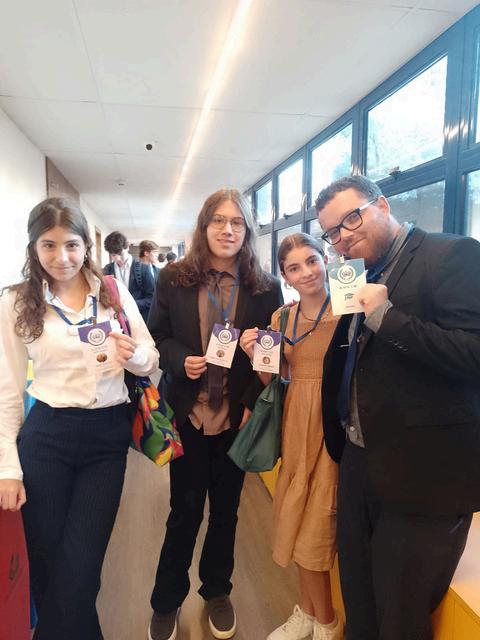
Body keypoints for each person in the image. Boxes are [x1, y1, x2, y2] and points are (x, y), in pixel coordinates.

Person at [315, 175, 480, 640]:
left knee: (400, 615)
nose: (344, 236)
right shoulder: (360, 273)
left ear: (383, 205)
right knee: (359, 595)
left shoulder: (452, 255)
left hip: (425, 475)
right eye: (332, 231)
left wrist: (387, 318)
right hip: (359, 460)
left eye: (352, 218)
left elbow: (474, 354)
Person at [0, 198, 159, 640]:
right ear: (33, 247)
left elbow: (150, 357)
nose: (62, 257)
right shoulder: (16, 301)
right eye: (48, 245)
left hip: (105, 439)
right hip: (46, 437)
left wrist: (134, 355)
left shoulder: (111, 291)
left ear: (86, 246)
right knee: (50, 565)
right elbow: (7, 392)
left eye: (71, 245)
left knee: (81, 567)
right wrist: (8, 468)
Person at [146, 187, 283, 640]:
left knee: (226, 512)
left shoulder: (265, 287)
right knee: (183, 512)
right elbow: (157, 337)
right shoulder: (174, 278)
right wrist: (178, 359)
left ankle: (217, 591)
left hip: (234, 420)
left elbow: (270, 354)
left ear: (247, 231)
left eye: (237, 222)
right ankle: (166, 600)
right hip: (188, 415)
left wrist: (249, 403)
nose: (228, 230)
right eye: (219, 221)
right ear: (204, 227)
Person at [240, 233, 343, 640]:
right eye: (295, 268)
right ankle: (308, 613)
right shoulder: (282, 319)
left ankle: (327, 622)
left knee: (317, 526)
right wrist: (254, 354)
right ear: (285, 276)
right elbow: (273, 380)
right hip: (297, 425)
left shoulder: (348, 308)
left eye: (312, 261)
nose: (307, 272)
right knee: (296, 518)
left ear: (326, 259)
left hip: (333, 426)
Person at [103, 231, 155, 322]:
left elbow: (152, 298)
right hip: (115, 320)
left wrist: (130, 305)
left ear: (127, 247)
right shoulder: (107, 270)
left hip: (139, 319)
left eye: (121, 254)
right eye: (113, 255)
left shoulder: (144, 269)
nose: (118, 259)